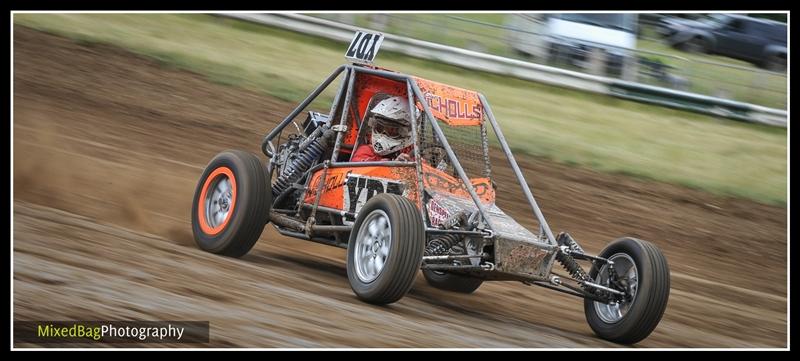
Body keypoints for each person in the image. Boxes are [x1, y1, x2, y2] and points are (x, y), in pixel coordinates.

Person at [351, 95, 416, 162]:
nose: (383, 134)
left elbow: (423, 167)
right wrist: (390, 164)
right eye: (380, 128)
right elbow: (356, 168)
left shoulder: (411, 154)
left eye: (391, 130)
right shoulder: (366, 151)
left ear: (406, 133)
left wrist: (408, 164)